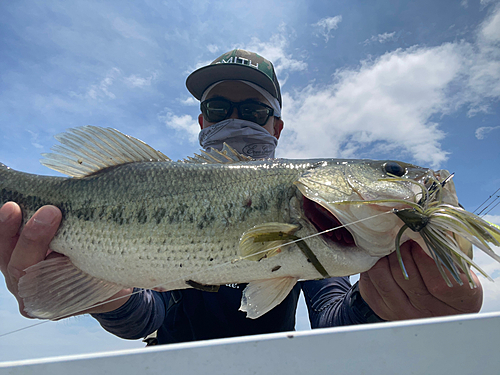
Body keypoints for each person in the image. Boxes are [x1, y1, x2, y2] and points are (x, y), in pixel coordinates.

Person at [0, 49, 483, 344]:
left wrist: (386, 305)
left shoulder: (330, 233)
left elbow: (333, 316)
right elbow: (146, 315)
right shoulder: (147, 179)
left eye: (253, 109)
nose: (237, 117)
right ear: (202, 122)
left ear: (276, 126)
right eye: (219, 107)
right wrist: (104, 296)